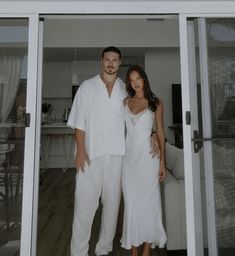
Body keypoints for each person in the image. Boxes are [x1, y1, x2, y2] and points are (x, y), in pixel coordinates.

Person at [67, 46, 159, 256]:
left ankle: (103, 250)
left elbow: (139, 118)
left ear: (120, 62)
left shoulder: (125, 90)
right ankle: (78, 252)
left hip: (118, 157)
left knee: (111, 209)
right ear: (101, 61)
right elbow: (78, 123)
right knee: (84, 207)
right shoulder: (87, 87)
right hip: (90, 156)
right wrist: (80, 150)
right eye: (107, 59)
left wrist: (153, 133)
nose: (110, 63)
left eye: (114, 60)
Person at [121, 65, 167, 256]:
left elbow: (161, 130)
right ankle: (134, 250)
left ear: (144, 79)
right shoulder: (124, 102)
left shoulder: (155, 103)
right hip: (129, 161)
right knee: (131, 205)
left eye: (138, 78)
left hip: (149, 161)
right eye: (132, 80)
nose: (135, 83)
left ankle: (146, 249)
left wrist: (162, 161)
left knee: (149, 204)